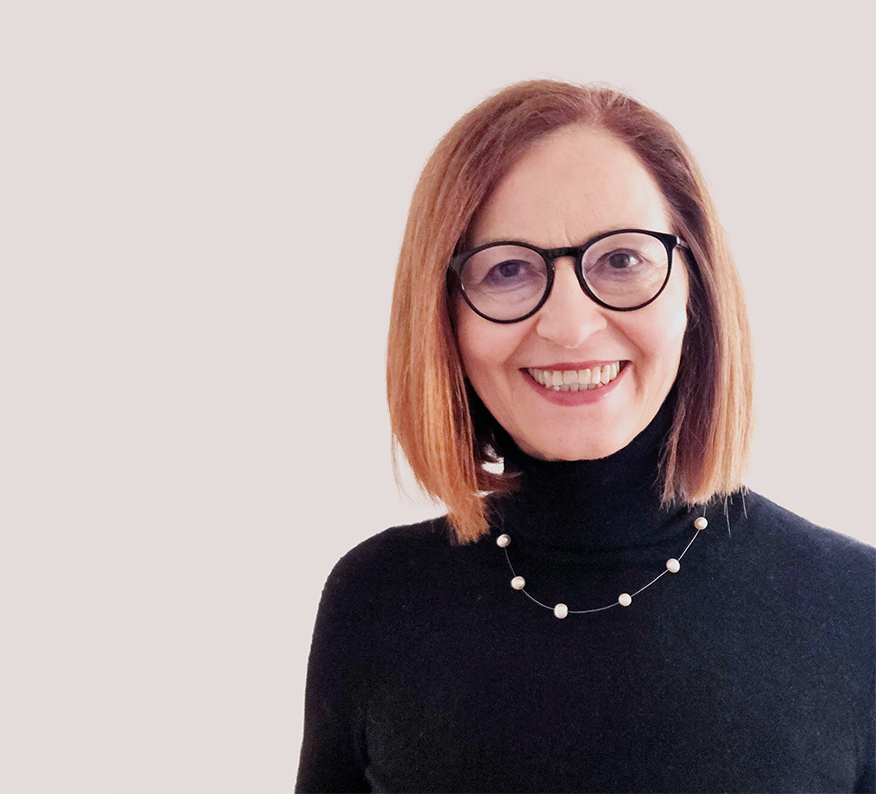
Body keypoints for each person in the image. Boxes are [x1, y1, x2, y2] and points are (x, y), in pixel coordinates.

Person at [294, 80, 875, 793]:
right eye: (507, 269)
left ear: (694, 291)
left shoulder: (856, 608)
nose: (569, 327)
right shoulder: (378, 603)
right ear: (444, 315)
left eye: (622, 260)